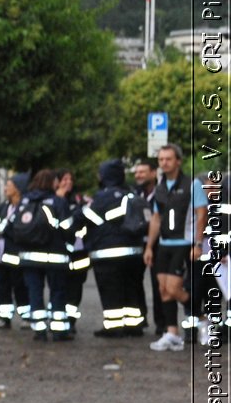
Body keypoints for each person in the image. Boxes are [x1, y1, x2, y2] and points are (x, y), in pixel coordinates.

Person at [144, 143, 208, 351]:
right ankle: (171, 333)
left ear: (178, 161)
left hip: (184, 242)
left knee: (173, 288)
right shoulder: (160, 188)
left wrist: (198, 243)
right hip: (164, 244)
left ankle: (201, 318)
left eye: (168, 159)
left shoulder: (192, 184)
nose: (164, 162)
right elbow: (155, 218)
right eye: (161, 159)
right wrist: (149, 247)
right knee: (163, 289)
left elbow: (201, 215)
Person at [83, 158, 148, 337]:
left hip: (106, 253)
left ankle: (113, 327)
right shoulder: (131, 194)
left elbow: (86, 218)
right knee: (131, 289)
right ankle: (134, 325)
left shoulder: (102, 197)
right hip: (134, 252)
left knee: (110, 290)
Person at [14, 169, 73, 342]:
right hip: (54, 255)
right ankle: (58, 330)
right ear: (51, 182)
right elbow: (67, 227)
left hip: (29, 256)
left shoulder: (25, 201)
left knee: (34, 292)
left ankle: (39, 330)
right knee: (57, 292)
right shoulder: (57, 202)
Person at [133, 158, 169, 337]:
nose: (138, 175)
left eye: (142, 172)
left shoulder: (163, 192)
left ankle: (161, 324)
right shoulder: (132, 194)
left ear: (153, 173)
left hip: (158, 245)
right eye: (136, 172)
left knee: (159, 285)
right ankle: (139, 321)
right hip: (136, 244)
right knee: (134, 283)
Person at [54, 169, 90, 334]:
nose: (68, 182)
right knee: (59, 286)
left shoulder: (79, 199)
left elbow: (83, 218)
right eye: (64, 179)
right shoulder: (53, 200)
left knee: (75, 287)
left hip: (78, 252)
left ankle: (71, 319)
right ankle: (59, 318)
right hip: (59, 251)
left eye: (70, 179)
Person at [0, 173, 30, 328]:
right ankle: (5, 318)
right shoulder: (3, 207)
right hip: (0, 254)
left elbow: (20, 230)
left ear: (18, 188)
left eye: (9, 185)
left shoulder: (25, 208)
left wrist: (5, 228)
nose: (6, 188)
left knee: (20, 285)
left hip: (16, 254)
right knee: (2, 286)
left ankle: (26, 317)